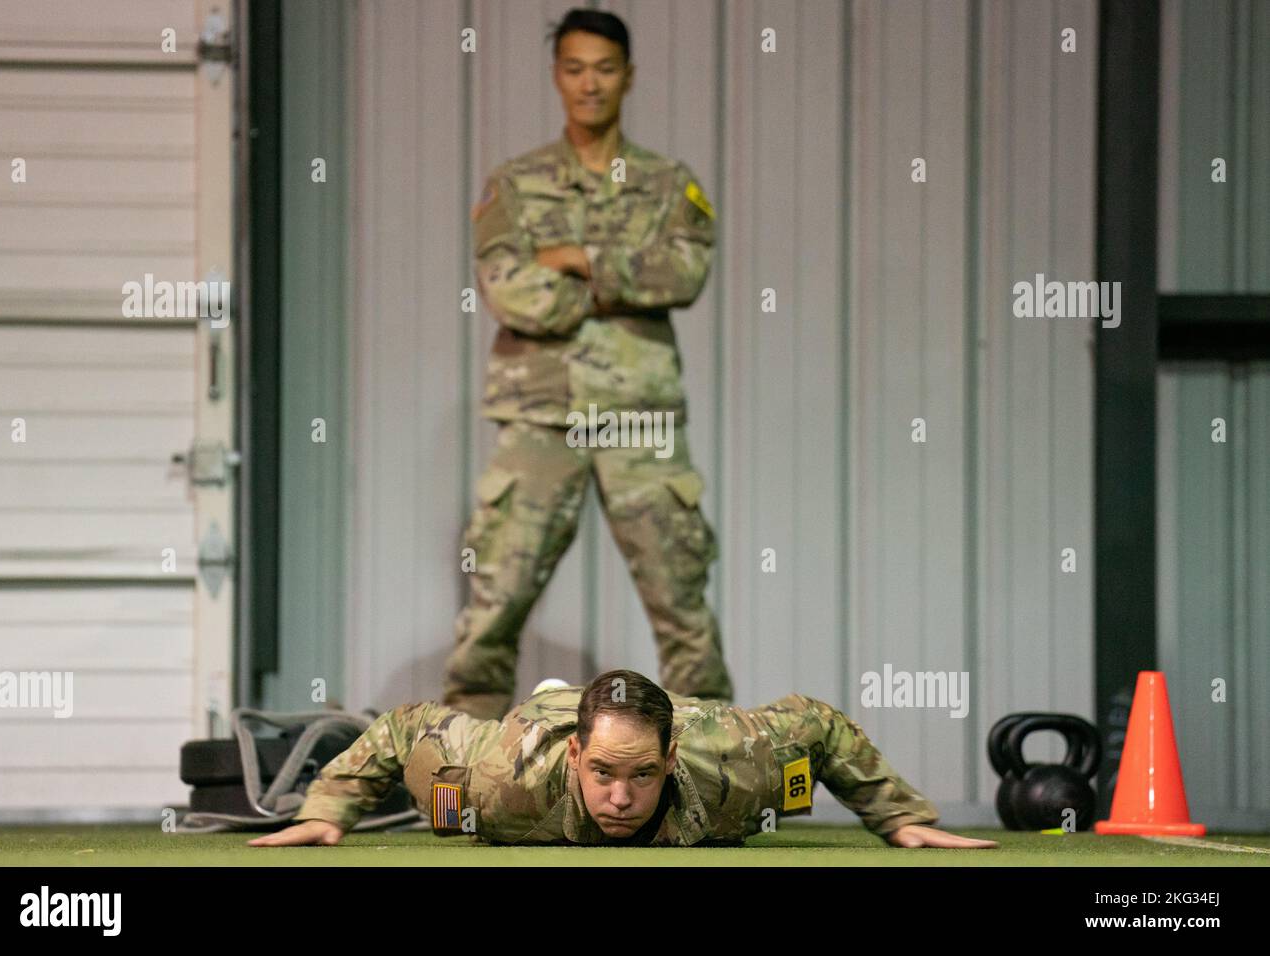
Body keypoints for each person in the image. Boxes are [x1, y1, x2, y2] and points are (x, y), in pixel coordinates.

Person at [444, 8, 732, 720]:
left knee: (680, 601)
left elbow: (685, 274)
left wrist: (578, 260)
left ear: (628, 77)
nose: (589, 84)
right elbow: (507, 288)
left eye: (604, 69)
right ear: (556, 76)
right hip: (541, 414)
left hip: (639, 418)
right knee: (497, 602)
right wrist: (618, 284)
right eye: (574, 69)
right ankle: (464, 769)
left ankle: (707, 765)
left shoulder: (668, 184)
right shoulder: (514, 183)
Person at [250, 669, 997, 849]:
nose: (619, 798)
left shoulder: (740, 768)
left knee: (697, 715)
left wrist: (898, 817)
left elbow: (820, 726)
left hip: (689, 719)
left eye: (641, 775)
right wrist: (327, 808)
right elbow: (405, 726)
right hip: (546, 716)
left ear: (668, 763)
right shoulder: (498, 780)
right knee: (547, 703)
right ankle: (566, 702)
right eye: (602, 773)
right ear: (577, 757)